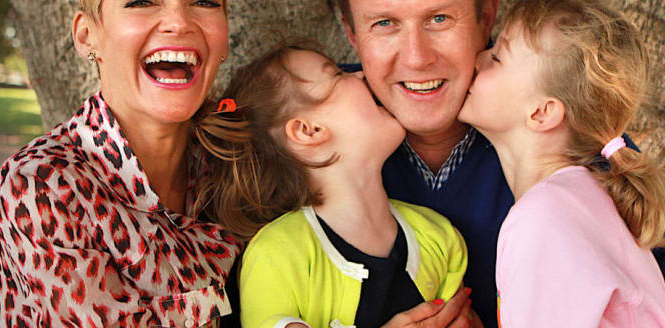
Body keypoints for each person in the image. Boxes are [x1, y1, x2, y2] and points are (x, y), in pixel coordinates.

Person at [325, 0, 665, 327]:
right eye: (384, 23)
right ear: (352, 33)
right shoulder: (308, 126)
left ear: (486, 17)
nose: (416, 58)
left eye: (439, 18)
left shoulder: (566, 136)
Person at [0, 0, 242, 326]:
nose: (178, 21)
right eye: (141, 1)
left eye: (205, 1)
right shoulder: (43, 187)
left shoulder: (237, 167)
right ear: (88, 36)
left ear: (225, 36)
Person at [193, 44, 469, 328]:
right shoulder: (277, 255)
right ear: (308, 131)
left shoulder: (440, 236)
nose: (360, 74)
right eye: (337, 74)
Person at [458, 0, 665, 326]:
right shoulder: (584, 202)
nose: (478, 57)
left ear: (541, 113)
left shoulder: (541, 221)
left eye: (497, 56)